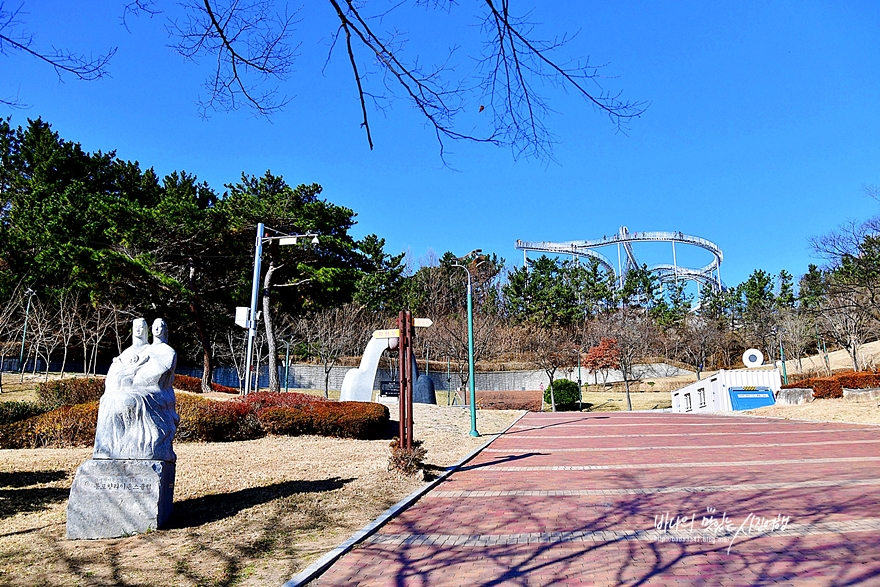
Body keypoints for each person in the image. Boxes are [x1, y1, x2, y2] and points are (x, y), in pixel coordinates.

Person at [93, 318, 179, 462]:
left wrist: (137, 379)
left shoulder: (169, 352)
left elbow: (160, 374)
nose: (157, 329)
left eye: (161, 326)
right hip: (135, 387)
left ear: (165, 330)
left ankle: (143, 444)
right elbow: (133, 369)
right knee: (109, 400)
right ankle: (108, 447)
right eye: (155, 326)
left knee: (132, 400)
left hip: (155, 392)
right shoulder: (145, 350)